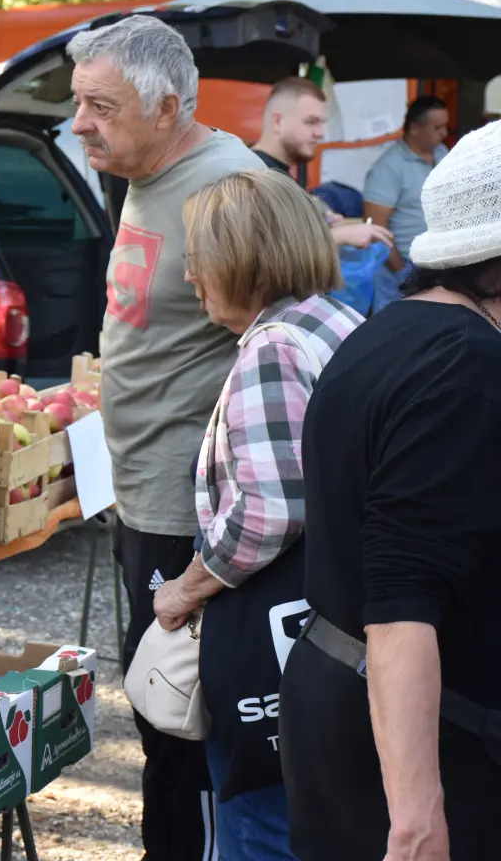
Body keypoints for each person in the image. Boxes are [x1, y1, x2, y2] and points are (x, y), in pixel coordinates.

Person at [68, 13, 262, 861]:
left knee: (188, 724)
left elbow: (277, 343)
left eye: (100, 107)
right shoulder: (151, 172)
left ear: (169, 106)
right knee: (157, 712)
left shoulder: (229, 188)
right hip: (142, 487)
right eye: (79, 103)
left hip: (193, 505)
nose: (80, 125)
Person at [281, 119, 501, 860]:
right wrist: (416, 820)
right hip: (413, 741)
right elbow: (401, 599)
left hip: (345, 703)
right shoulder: (466, 367)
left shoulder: (390, 331)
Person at [152, 169, 362, 860]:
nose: (190, 276)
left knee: (265, 824)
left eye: (199, 257)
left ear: (244, 258)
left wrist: (184, 588)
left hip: (279, 649)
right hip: (342, 635)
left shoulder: (273, 349)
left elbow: (272, 509)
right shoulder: (336, 320)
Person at [253, 77, 395, 252]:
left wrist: (320, 221)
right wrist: (339, 236)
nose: (320, 133)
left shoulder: (276, 173)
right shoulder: (254, 178)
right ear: (277, 122)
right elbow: (264, 250)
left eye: (322, 123)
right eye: (311, 122)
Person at [362, 94, 449, 311]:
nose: (444, 133)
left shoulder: (443, 154)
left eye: (445, 126)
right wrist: (401, 272)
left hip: (438, 264)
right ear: (415, 128)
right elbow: (375, 227)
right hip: (403, 266)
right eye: (437, 128)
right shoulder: (388, 168)